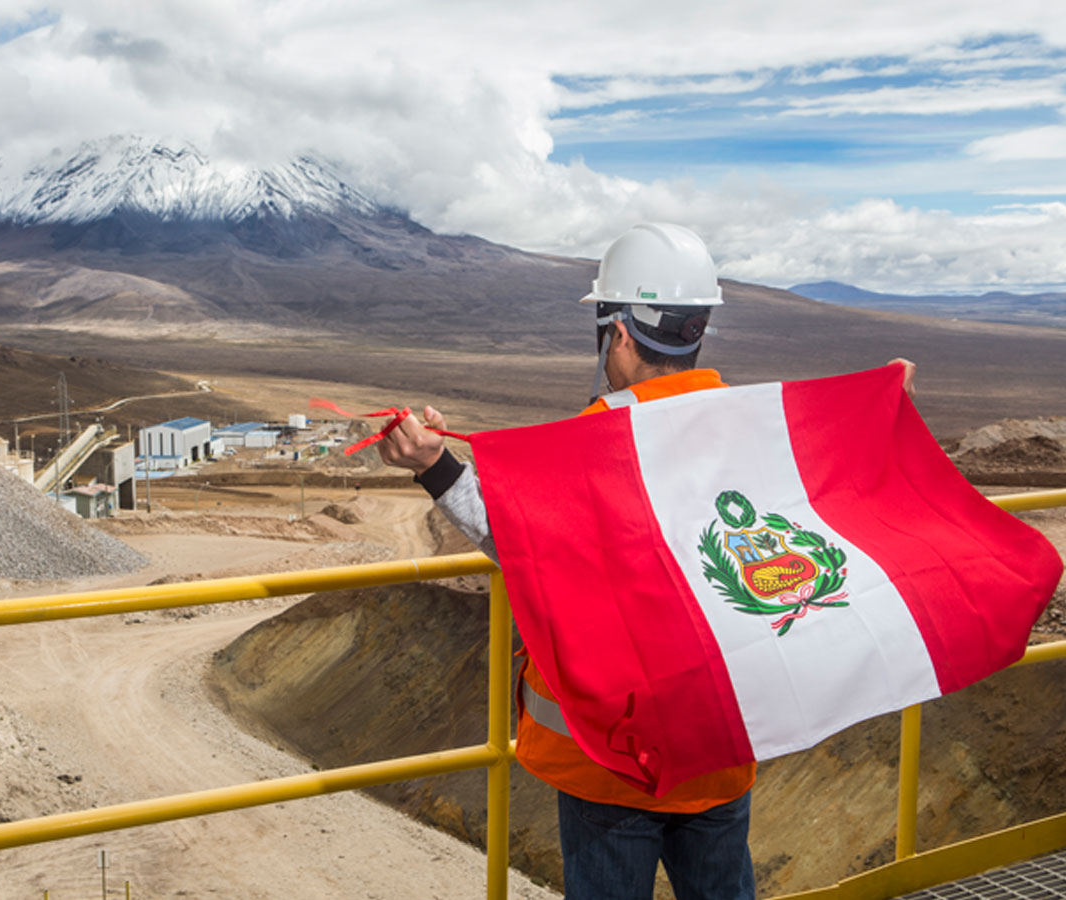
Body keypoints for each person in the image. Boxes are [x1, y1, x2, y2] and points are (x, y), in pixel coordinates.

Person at [376, 223, 915, 900]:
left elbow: (521, 542)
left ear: (620, 332)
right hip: (721, 735)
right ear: (695, 330)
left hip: (613, 756)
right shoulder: (753, 428)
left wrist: (434, 466)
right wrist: (880, 410)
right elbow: (827, 503)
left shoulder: (597, 440)